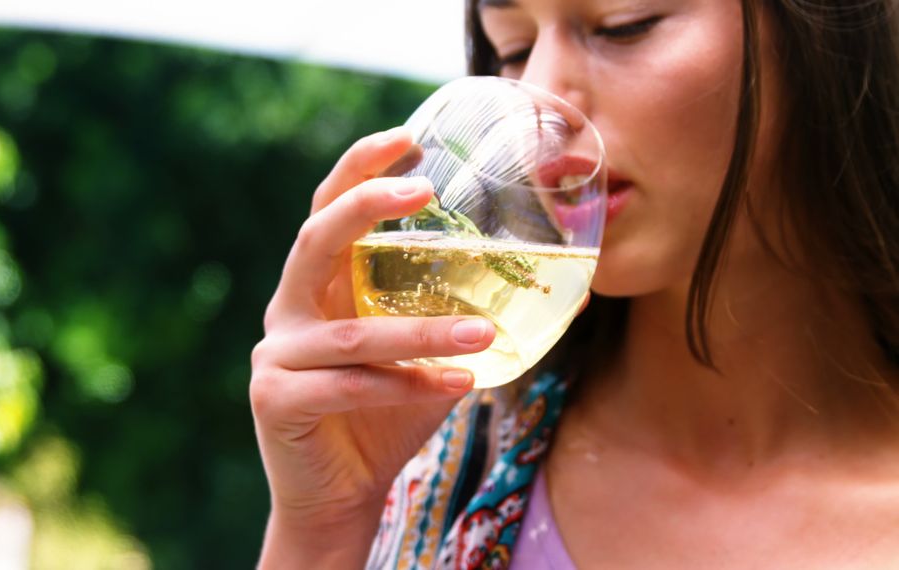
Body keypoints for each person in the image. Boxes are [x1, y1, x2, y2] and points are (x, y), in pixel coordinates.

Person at [250, 0, 899, 567]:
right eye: (514, 47)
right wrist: (325, 529)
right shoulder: (450, 463)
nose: (539, 106)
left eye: (624, 24)